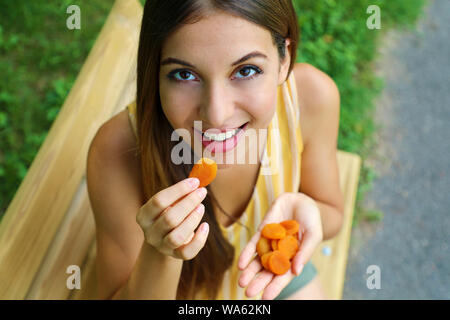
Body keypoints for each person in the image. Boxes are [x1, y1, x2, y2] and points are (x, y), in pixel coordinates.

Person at [87, 0, 344, 300]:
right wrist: (161, 252)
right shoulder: (117, 150)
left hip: (269, 277)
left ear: (283, 59)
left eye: (246, 70)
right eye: (185, 75)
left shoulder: (309, 100)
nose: (217, 115)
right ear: (154, 73)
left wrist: (305, 217)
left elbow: (332, 213)